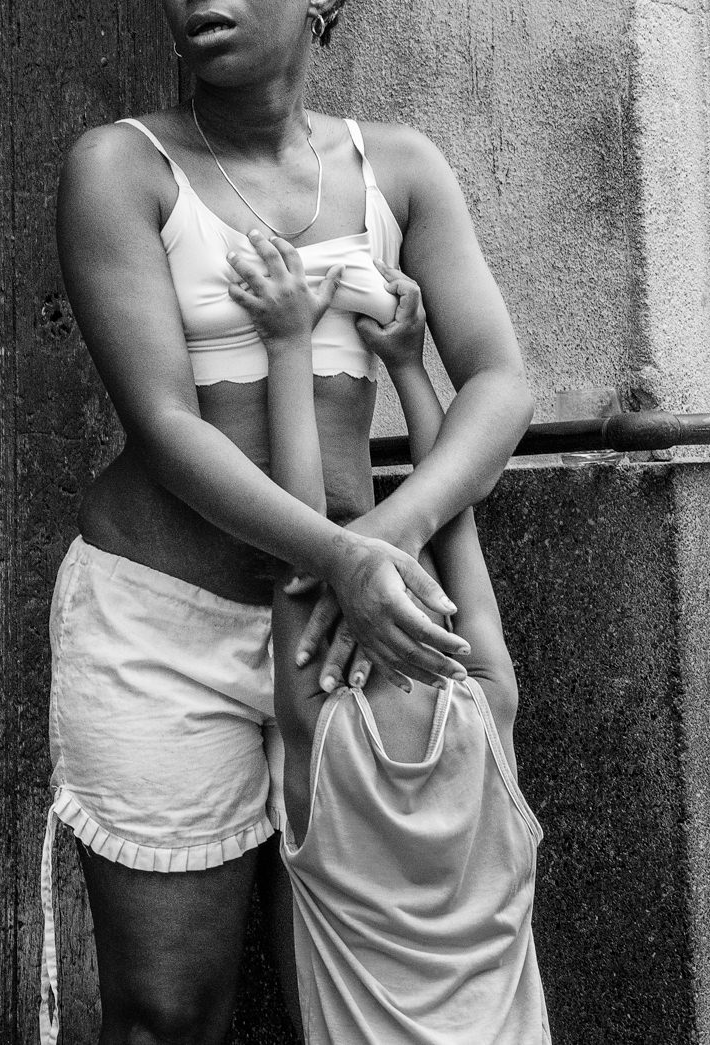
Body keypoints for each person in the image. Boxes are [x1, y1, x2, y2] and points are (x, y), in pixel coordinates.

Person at [45, 0, 533, 1044]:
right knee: (168, 1007)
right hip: (167, 623)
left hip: (358, 629)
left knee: (377, 976)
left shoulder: (400, 169)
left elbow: (499, 382)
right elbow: (163, 426)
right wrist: (346, 556)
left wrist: (384, 542)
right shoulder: (122, 167)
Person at [234, 232, 548, 1041]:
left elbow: (302, 532)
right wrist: (409, 366)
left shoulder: (324, 743)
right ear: (439, 620)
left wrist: (288, 341)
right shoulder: (487, 711)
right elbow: (451, 515)